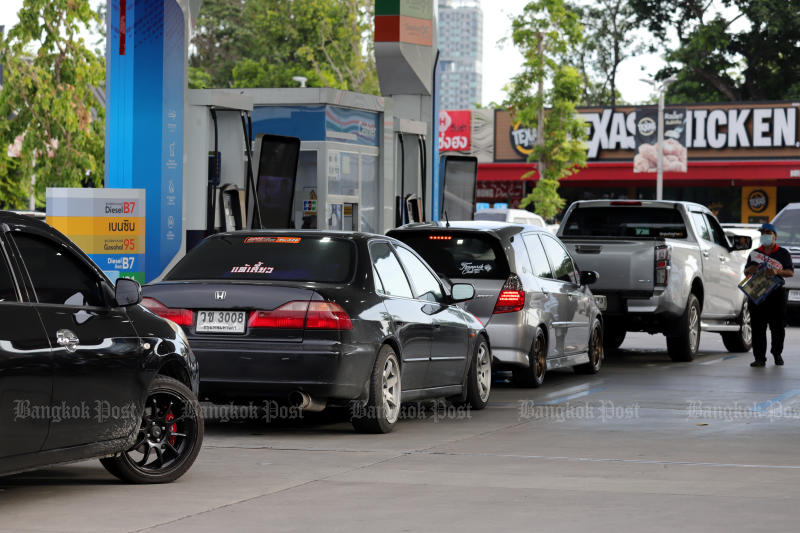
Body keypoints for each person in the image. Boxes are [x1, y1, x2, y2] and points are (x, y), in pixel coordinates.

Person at [744, 223, 794, 367]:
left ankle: (777, 353)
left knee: (777, 327)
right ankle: (759, 358)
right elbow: (746, 272)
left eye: (768, 232)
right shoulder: (754, 253)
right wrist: (750, 270)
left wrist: (777, 272)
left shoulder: (783, 253)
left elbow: (790, 272)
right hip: (757, 293)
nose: (765, 235)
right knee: (758, 327)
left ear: (775, 236)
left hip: (776, 293)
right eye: (763, 233)